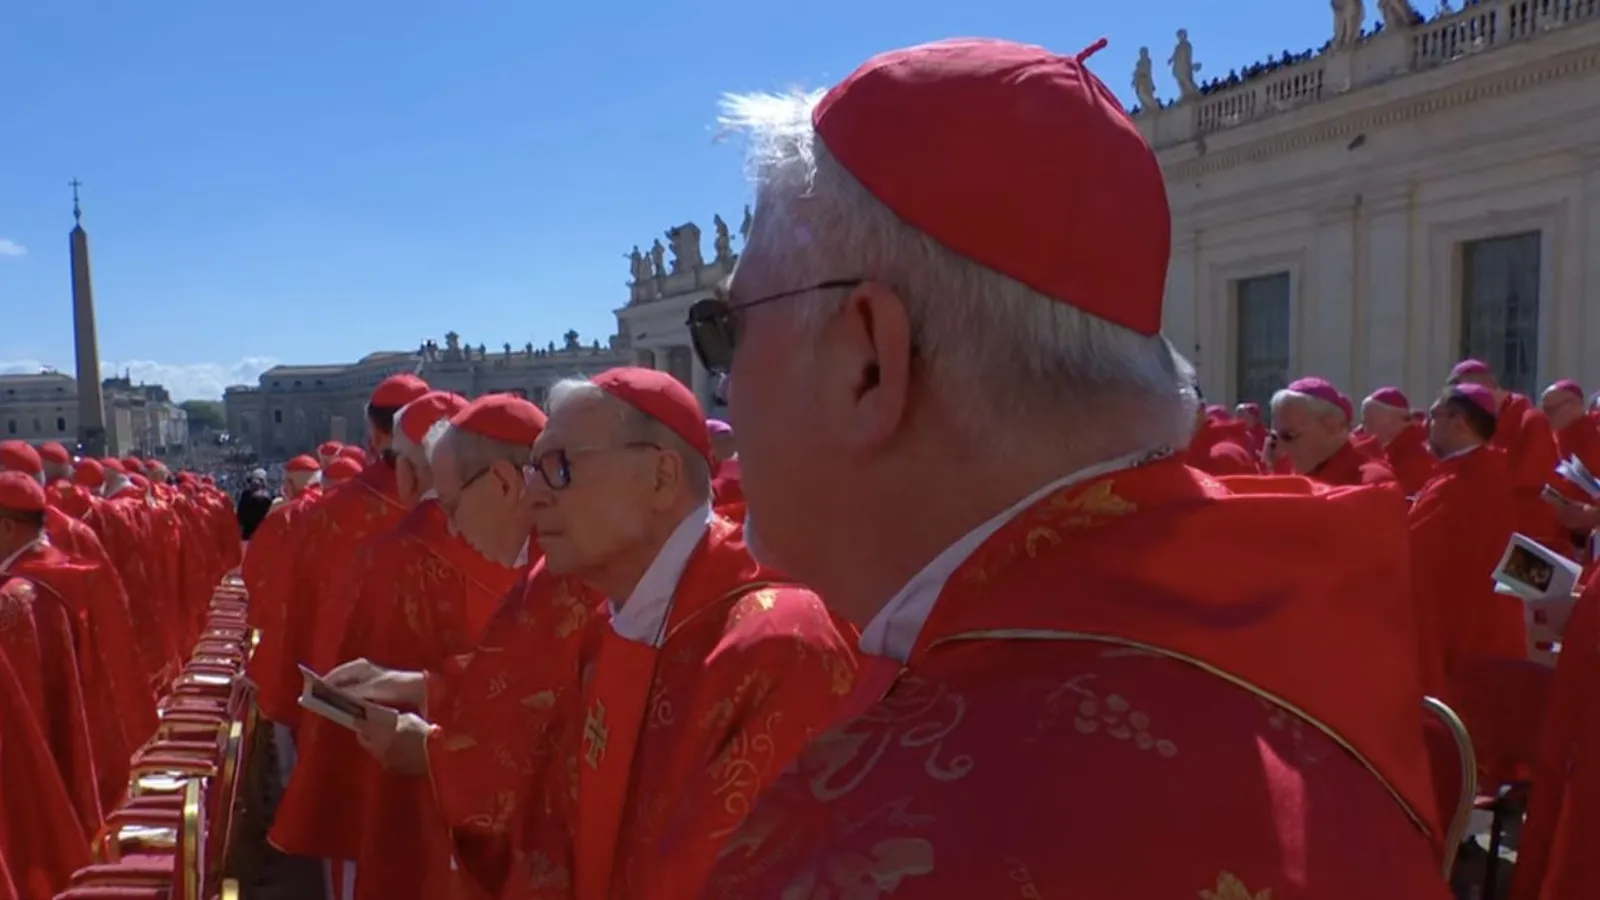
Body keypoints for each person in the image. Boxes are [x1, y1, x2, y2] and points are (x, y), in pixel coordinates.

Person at [690, 37, 1448, 897]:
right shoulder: (1291, 638)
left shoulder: (872, 853)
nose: (724, 383)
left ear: (868, 361)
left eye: (726, 330)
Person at [337, 368, 858, 900]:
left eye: (559, 467)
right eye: (535, 469)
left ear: (660, 477)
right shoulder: (609, 625)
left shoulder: (777, 645)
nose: (532, 496)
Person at [1407, 384, 1522, 699]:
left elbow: (1409, 548)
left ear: (1458, 421)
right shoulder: (1492, 470)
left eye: (1434, 415)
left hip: (1455, 628)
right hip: (1490, 624)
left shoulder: (1455, 484)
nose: (1426, 425)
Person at [1448, 359, 1568, 554]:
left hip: (1529, 534)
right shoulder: (1480, 421)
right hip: (1491, 529)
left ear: (1488, 386)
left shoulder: (1531, 421)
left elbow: (1530, 480)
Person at [1270, 377, 1397, 486]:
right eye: (1275, 438)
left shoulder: (1373, 483)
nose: (1282, 450)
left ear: (1331, 424)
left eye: (1289, 436)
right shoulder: (1298, 474)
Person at [1360, 387, 1437, 496]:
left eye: (1369, 422)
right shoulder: (1393, 446)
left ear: (1392, 420)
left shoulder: (1416, 455)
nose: (1364, 429)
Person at [236, 468, 275, 541]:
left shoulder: (246, 494)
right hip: (261, 536)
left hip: (248, 536)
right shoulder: (269, 496)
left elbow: (240, 517)